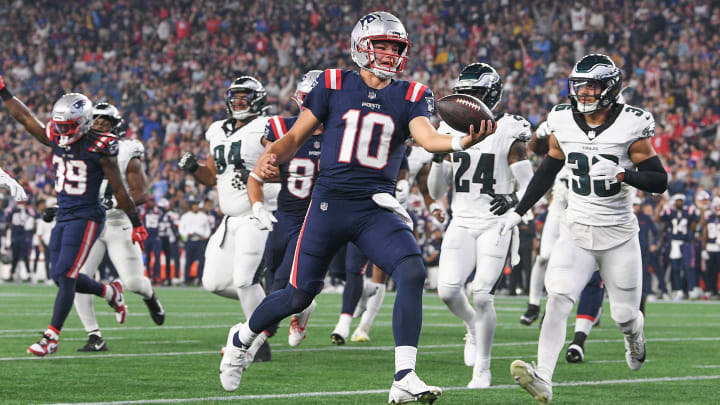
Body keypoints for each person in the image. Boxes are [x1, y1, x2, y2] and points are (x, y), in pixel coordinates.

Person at [220, 12, 495, 404]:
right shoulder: (332, 84)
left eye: (395, 48)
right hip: (329, 204)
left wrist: (461, 143)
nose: (388, 54)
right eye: (381, 45)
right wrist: (271, 157)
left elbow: (429, 139)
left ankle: (404, 376)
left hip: (375, 207)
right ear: (361, 46)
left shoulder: (412, 94)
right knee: (298, 295)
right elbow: (295, 136)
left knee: (413, 271)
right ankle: (242, 337)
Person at [499, 54, 667, 402]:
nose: (584, 93)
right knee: (558, 297)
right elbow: (547, 169)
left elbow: (660, 180)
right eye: (580, 85)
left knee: (623, 314)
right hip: (576, 227)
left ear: (609, 88)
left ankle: (634, 336)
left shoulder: (631, 125)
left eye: (592, 85)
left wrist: (624, 175)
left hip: (619, 235)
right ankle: (543, 376)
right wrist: (519, 210)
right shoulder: (562, 119)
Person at [0, 76, 148, 357]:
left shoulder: (101, 148)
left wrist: (136, 223)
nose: (62, 131)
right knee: (59, 275)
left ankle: (51, 337)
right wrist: (3, 90)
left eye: (68, 126)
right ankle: (110, 292)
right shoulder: (56, 136)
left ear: (83, 122)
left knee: (67, 274)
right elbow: (24, 118)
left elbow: (118, 188)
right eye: (60, 125)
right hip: (65, 213)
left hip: (88, 215)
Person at [426, 62, 534, 388]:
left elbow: (530, 183)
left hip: (495, 223)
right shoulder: (447, 131)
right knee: (446, 291)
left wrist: (515, 201)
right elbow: (436, 191)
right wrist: (435, 155)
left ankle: (482, 369)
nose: (469, 102)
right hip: (461, 219)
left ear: (492, 96)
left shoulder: (508, 129)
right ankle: (472, 326)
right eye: (466, 95)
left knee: (482, 293)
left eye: (476, 95)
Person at [178, 76, 280, 359]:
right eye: (234, 97)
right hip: (229, 218)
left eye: (244, 97)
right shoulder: (217, 131)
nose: (238, 102)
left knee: (244, 280)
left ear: (257, 99)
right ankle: (279, 304)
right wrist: (193, 168)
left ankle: (256, 343)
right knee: (214, 282)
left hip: (257, 213)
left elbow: (282, 160)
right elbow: (211, 176)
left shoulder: (266, 127)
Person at [73, 103, 165, 352]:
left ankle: (149, 296)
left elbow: (141, 193)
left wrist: (113, 202)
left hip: (118, 221)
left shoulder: (126, 150)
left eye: (105, 123)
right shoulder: (80, 146)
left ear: (116, 127)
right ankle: (94, 336)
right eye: (96, 122)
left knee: (134, 282)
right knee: (78, 279)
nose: (100, 127)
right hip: (91, 222)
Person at [249, 69, 323, 349]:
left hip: (315, 216)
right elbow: (265, 169)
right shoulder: (281, 127)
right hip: (285, 212)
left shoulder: (339, 134)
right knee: (270, 273)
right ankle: (302, 309)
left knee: (282, 279)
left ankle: (254, 340)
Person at [520, 121, 570, 326]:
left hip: (585, 206)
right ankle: (533, 305)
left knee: (569, 263)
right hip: (559, 203)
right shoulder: (563, 121)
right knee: (544, 257)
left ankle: (555, 308)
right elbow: (537, 149)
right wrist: (541, 134)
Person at [657, 194, 701, 300]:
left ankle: (690, 289)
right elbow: (658, 219)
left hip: (686, 242)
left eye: (681, 200)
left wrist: (691, 233)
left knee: (688, 267)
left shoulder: (689, 210)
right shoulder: (670, 211)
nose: (679, 202)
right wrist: (660, 206)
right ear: (674, 202)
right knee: (676, 268)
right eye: (677, 201)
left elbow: (695, 222)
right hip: (674, 243)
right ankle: (678, 290)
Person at [178, 198, 211, 285]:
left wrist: (205, 236)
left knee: (201, 260)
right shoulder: (185, 216)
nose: (195, 207)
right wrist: (186, 234)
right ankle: (187, 279)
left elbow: (207, 228)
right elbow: (181, 228)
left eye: (197, 205)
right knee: (188, 260)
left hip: (200, 241)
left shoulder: (203, 216)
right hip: (190, 240)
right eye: (194, 205)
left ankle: (200, 279)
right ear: (191, 206)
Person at [702, 197, 720, 299]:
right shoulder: (709, 217)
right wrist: (704, 248)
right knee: (710, 271)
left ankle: (717, 290)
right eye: (716, 206)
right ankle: (710, 289)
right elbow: (705, 232)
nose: (717, 208)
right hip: (711, 247)